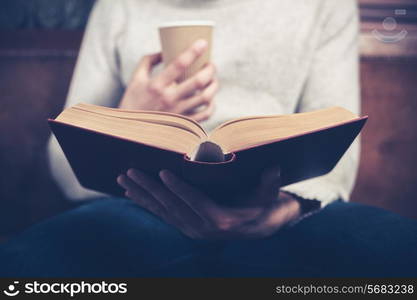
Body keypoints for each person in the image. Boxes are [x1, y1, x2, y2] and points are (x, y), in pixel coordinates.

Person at [1, 0, 417, 277]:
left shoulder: (324, 4)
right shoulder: (119, 5)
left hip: (283, 212)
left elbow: (339, 149)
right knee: (21, 267)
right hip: (142, 208)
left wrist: (280, 214)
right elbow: (63, 167)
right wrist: (135, 112)